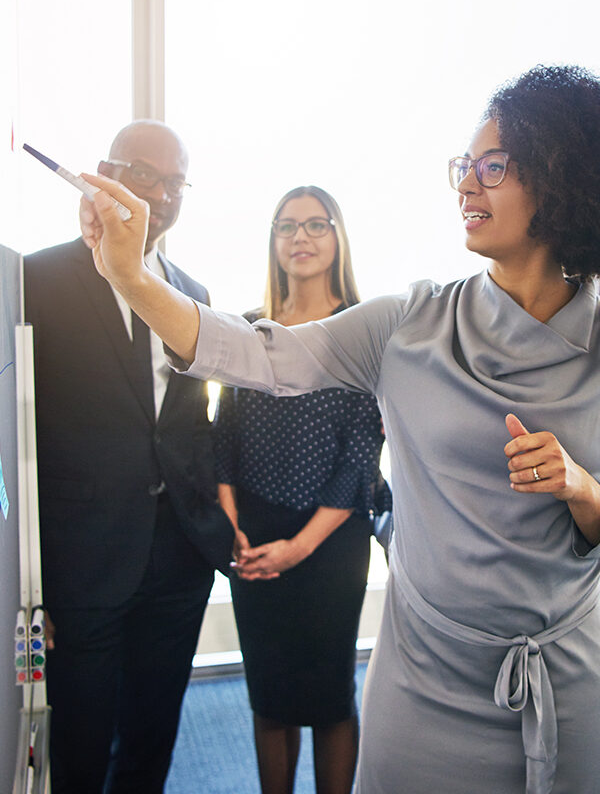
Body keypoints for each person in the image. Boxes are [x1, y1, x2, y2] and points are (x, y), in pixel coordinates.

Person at [79, 64, 600, 794]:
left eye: (492, 166)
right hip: (426, 678)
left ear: (560, 176)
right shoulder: (409, 324)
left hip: (567, 681)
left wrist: (582, 487)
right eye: (464, 165)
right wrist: (133, 279)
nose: (466, 185)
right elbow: (252, 353)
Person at [25, 120, 233, 794]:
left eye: (175, 182)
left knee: (152, 739)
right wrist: (28, 581)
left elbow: (188, 426)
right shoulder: (36, 279)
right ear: (103, 172)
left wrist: (217, 520)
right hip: (81, 563)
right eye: (144, 173)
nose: (162, 193)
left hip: (177, 557)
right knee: (80, 747)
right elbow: (15, 444)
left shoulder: (193, 294)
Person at [214, 185, 390, 794]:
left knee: (329, 697)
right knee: (269, 694)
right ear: (273, 241)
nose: (301, 238)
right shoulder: (250, 327)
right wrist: (231, 530)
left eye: (317, 225)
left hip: (331, 541)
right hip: (252, 538)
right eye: (287, 226)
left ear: (338, 237)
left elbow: (360, 462)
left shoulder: (364, 329)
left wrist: (298, 548)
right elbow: (224, 438)